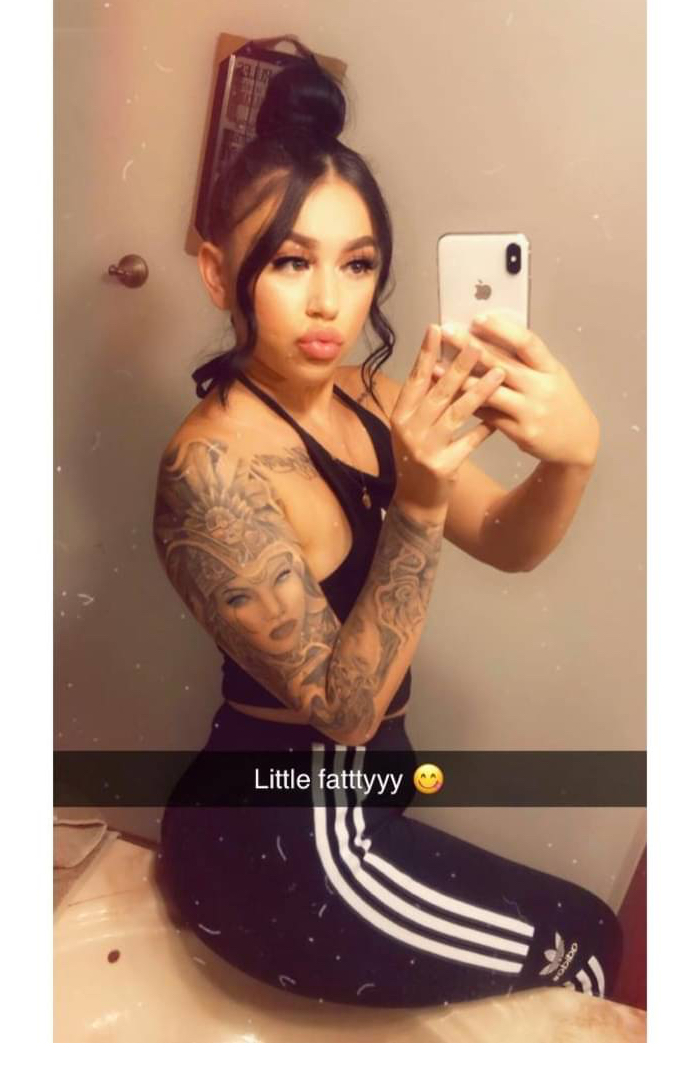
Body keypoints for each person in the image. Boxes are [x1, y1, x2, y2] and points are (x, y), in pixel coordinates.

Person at [152, 41, 622, 1009]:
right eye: (291, 261)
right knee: (584, 949)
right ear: (217, 271)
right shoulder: (210, 467)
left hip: (351, 809)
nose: (330, 301)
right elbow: (345, 711)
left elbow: (508, 542)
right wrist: (418, 498)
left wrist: (572, 457)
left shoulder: (368, 396)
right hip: (284, 839)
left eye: (357, 263)